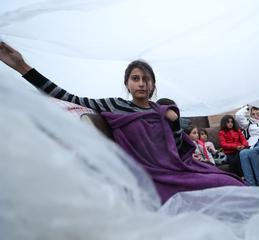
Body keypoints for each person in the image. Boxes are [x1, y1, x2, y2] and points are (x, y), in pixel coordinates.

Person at [0, 42, 244, 203]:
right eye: (135, 79)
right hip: (149, 176)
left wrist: (174, 124)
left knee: (228, 181)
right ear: (127, 84)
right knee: (219, 183)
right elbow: (65, 96)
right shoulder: (115, 105)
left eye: (146, 79)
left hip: (177, 171)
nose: (141, 83)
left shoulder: (162, 111)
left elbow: (178, 151)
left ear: (153, 85)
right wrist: (22, 66)